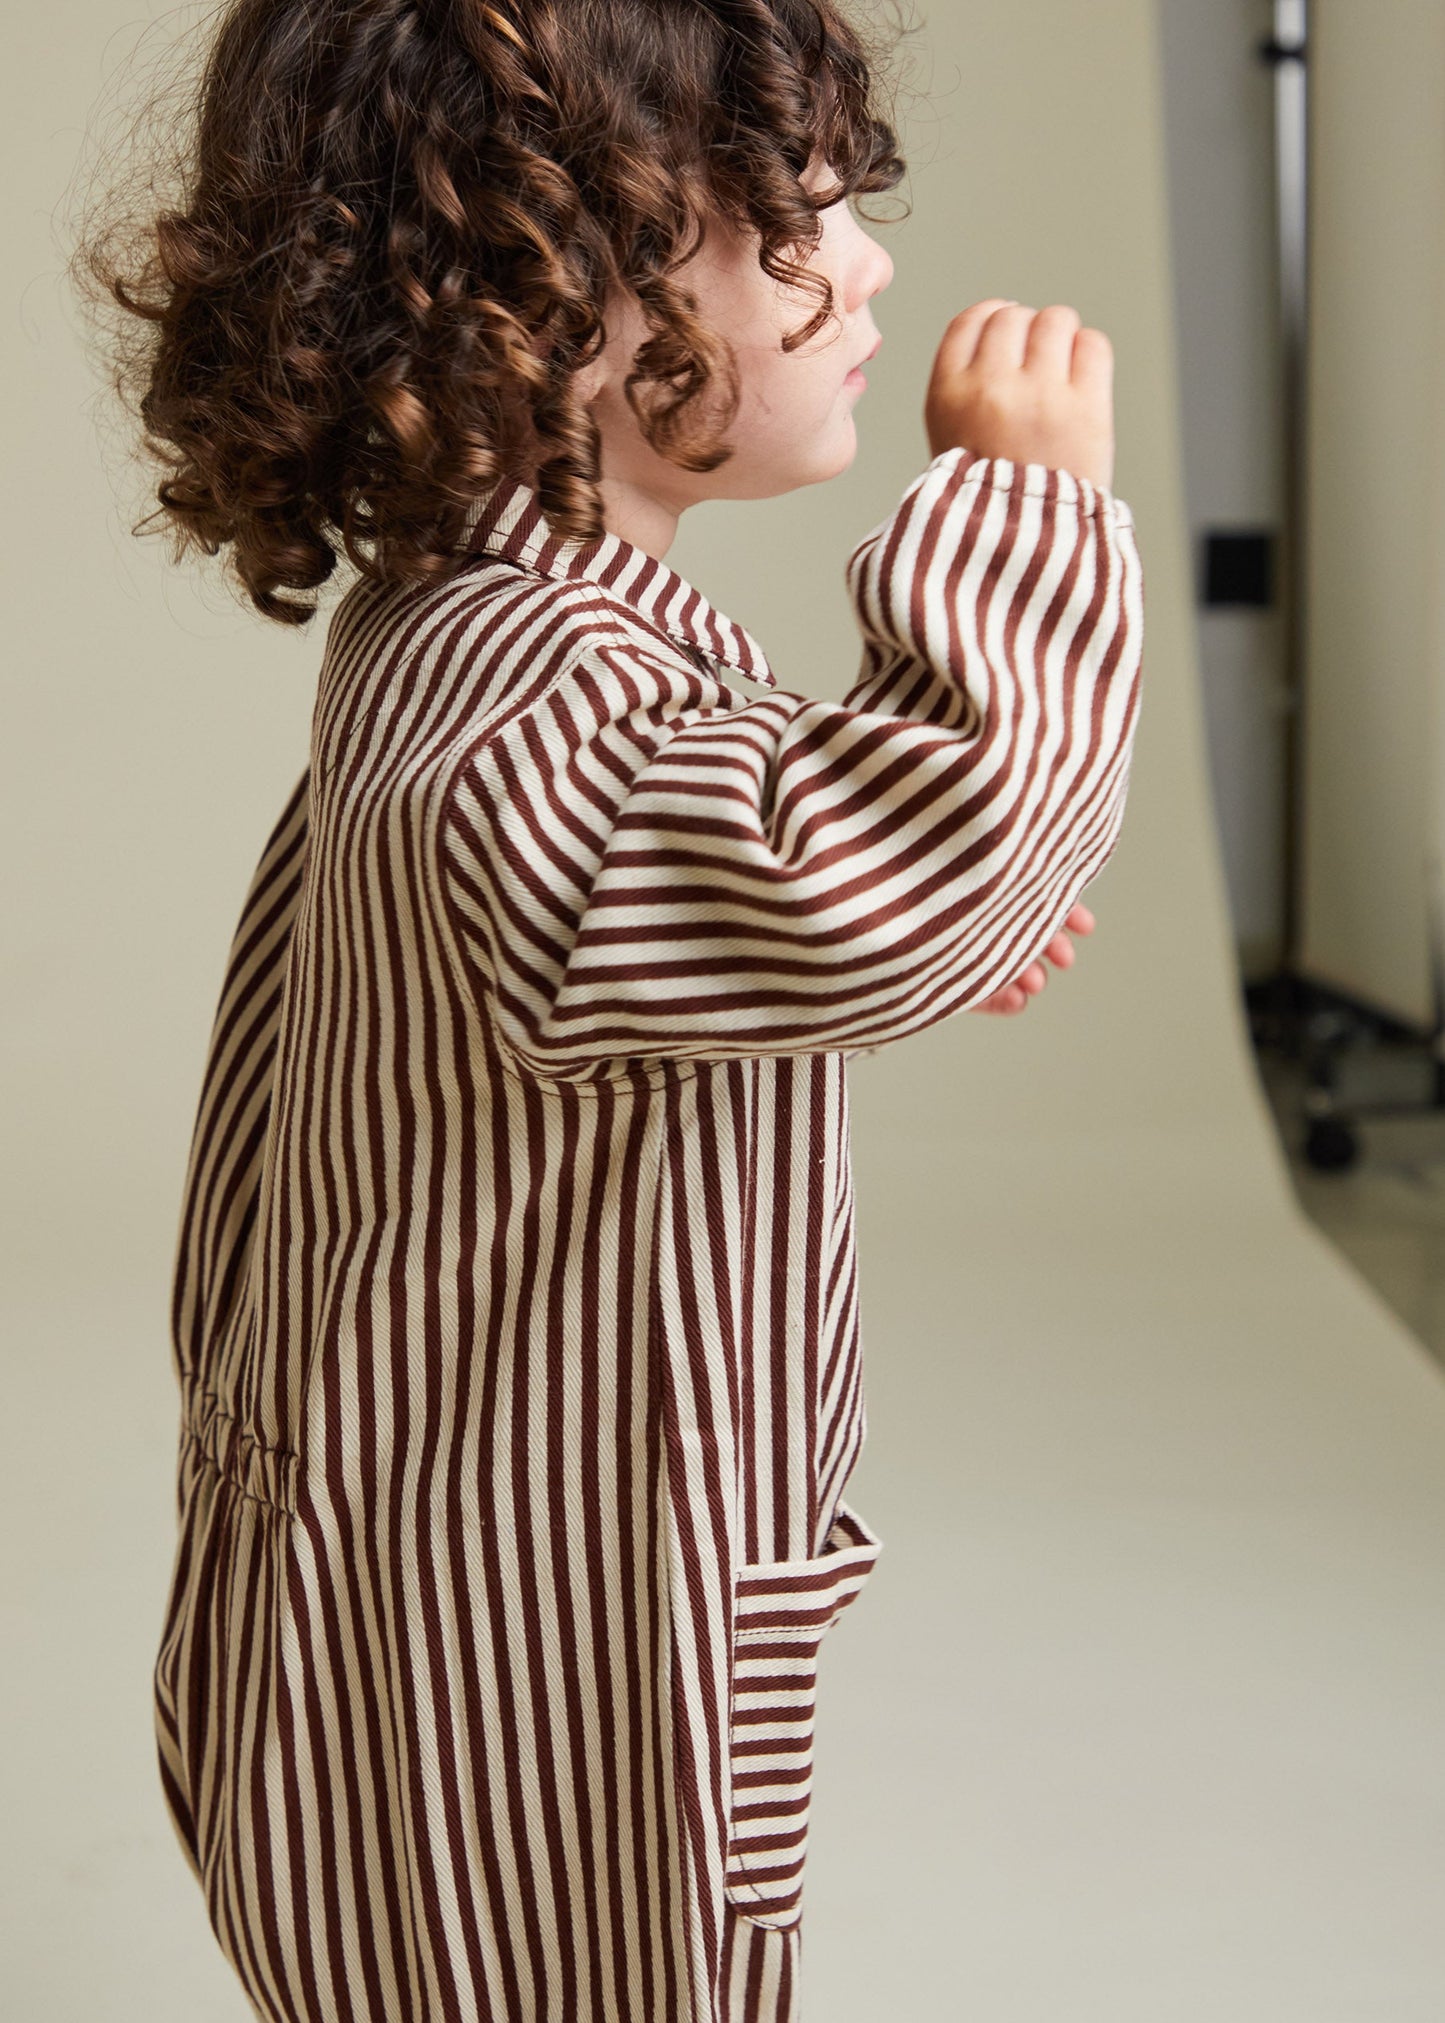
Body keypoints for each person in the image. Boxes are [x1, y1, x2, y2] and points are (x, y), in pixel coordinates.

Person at [80, 2, 1143, 2017]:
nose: (874, 269)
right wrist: (1023, 526)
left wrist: (843, 941)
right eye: (790, 225)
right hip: (506, 1683)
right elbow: (869, 872)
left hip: (450, 1617)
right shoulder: (523, 698)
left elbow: (669, 922)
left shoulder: (493, 633)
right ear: (540, 298)